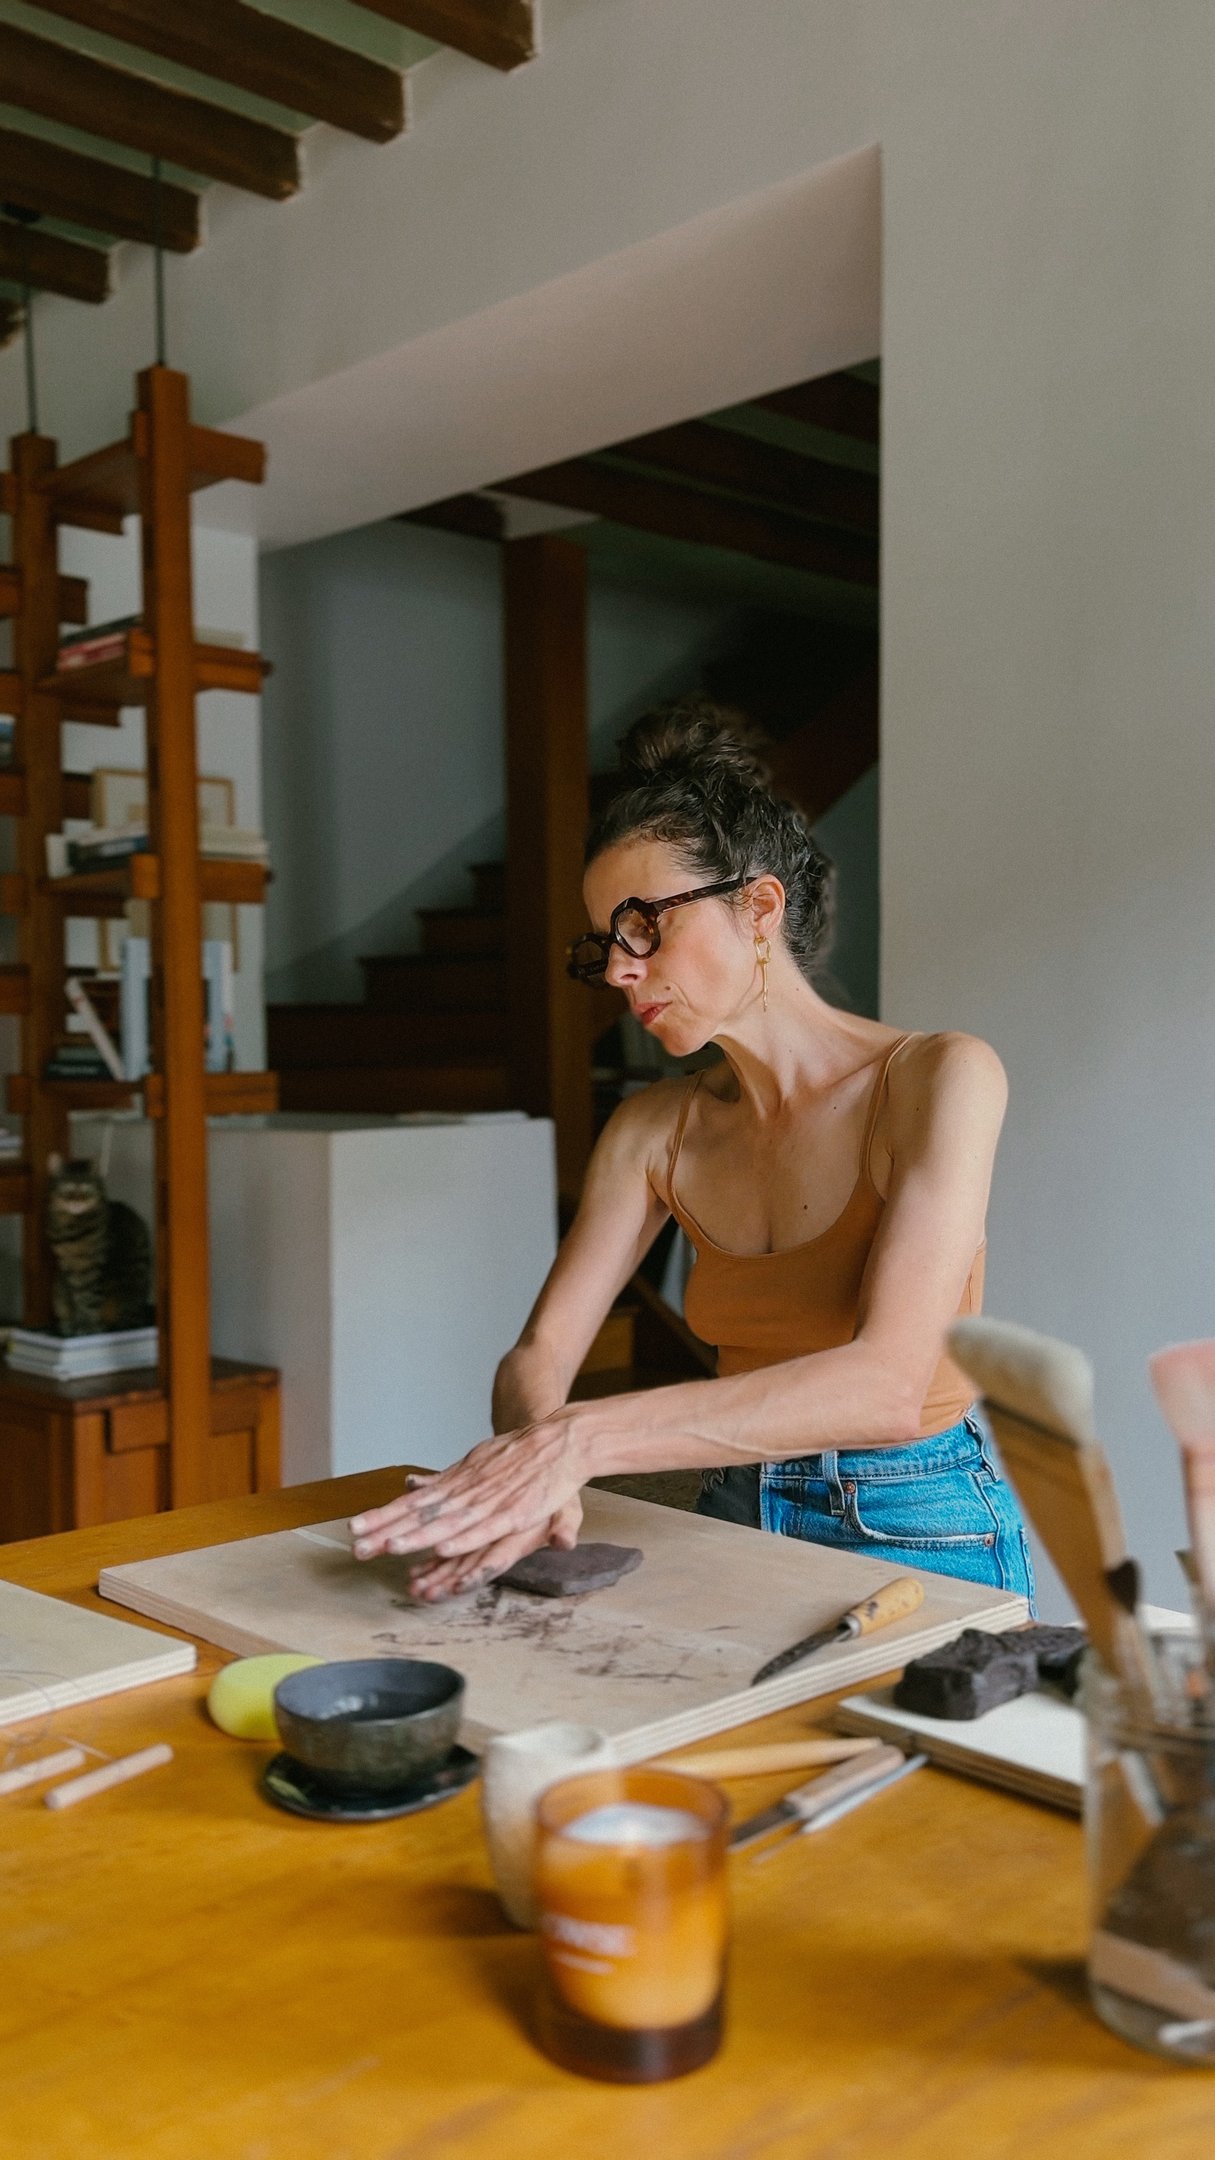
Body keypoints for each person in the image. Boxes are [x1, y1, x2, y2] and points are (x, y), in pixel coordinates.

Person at [351, 700, 1035, 1609]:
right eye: (605, 944)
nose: (618, 969)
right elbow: (535, 1358)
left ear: (758, 907)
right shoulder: (650, 1130)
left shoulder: (939, 1077)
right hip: (732, 1510)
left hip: (918, 1518)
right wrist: (534, 1468)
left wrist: (576, 1442)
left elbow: (887, 1386)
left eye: (643, 925)